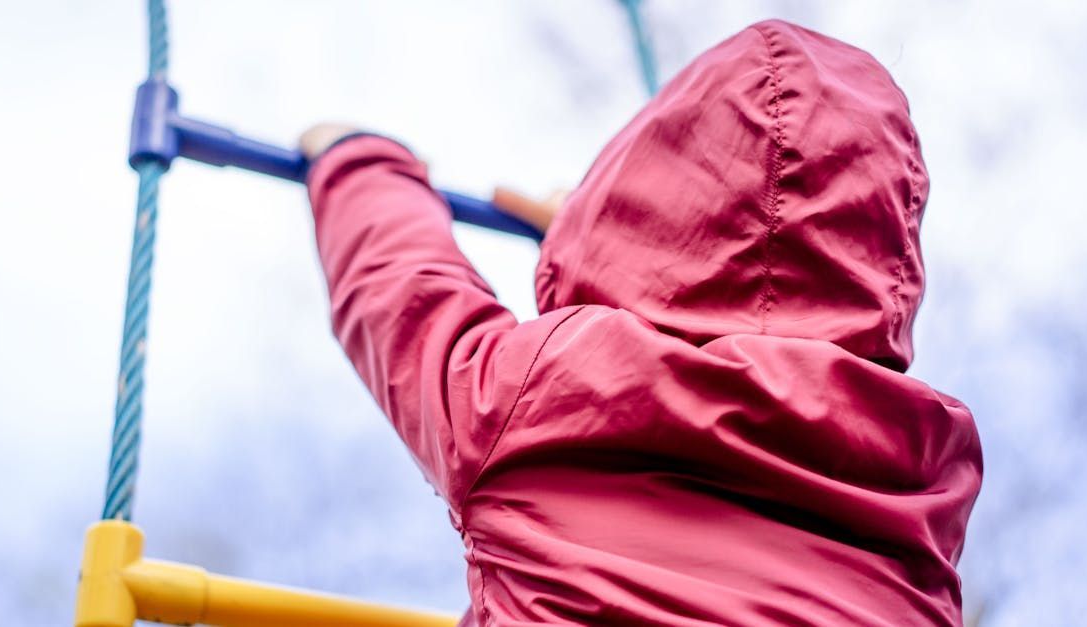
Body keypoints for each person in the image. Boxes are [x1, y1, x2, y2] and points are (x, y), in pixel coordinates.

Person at [298, 19, 982, 626]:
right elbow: (771, 273)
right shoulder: (913, 495)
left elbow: (406, 287)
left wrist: (355, 156)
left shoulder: (540, 400)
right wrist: (591, 245)